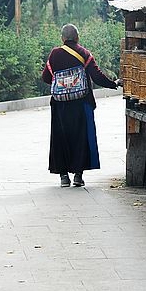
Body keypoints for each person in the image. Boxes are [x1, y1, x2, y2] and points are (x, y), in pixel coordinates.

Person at [42, 23, 119, 187]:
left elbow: (46, 78)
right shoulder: (84, 53)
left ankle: (63, 176)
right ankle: (78, 175)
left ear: (62, 38)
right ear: (77, 37)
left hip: (60, 105)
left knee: (60, 138)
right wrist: (114, 84)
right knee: (80, 138)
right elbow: (97, 77)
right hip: (81, 103)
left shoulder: (54, 55)